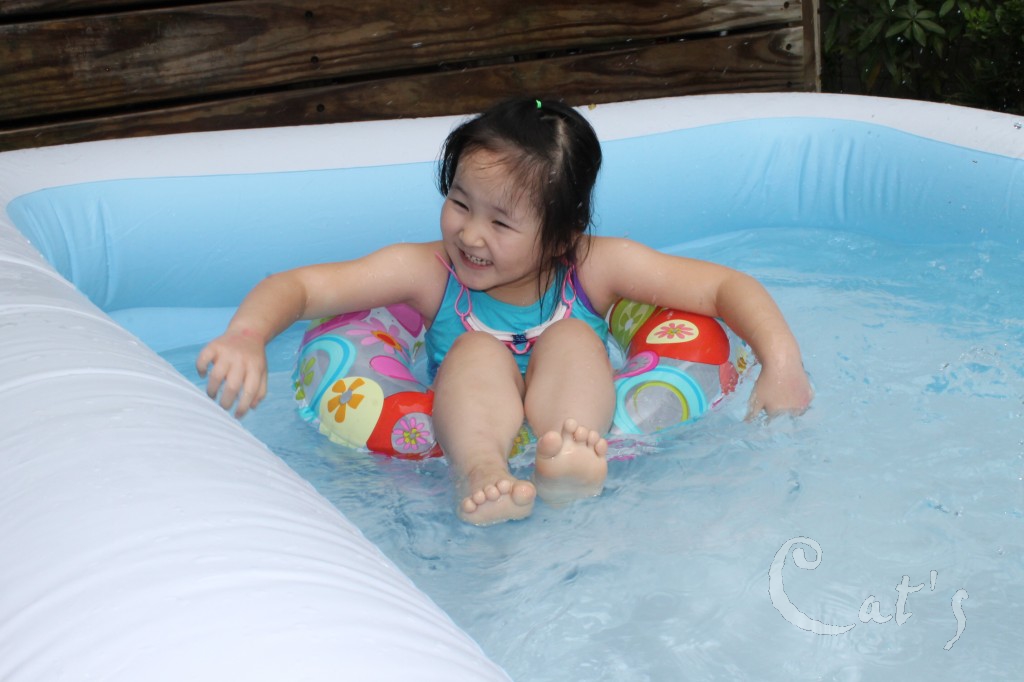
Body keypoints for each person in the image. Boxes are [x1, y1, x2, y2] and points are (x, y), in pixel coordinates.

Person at [197, 98, 813, 526]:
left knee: (572, 337)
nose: (470, 234)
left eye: (501, 222)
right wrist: (247, 335)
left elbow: (723, 287)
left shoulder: (595, 266)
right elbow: (303, 288)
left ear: (561, 235)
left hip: (570, 396)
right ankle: (480, 470)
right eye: (460, 203)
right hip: (473, 403)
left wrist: (781, 362)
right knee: (475, 349)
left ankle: (570, 454)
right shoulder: (427, 272)